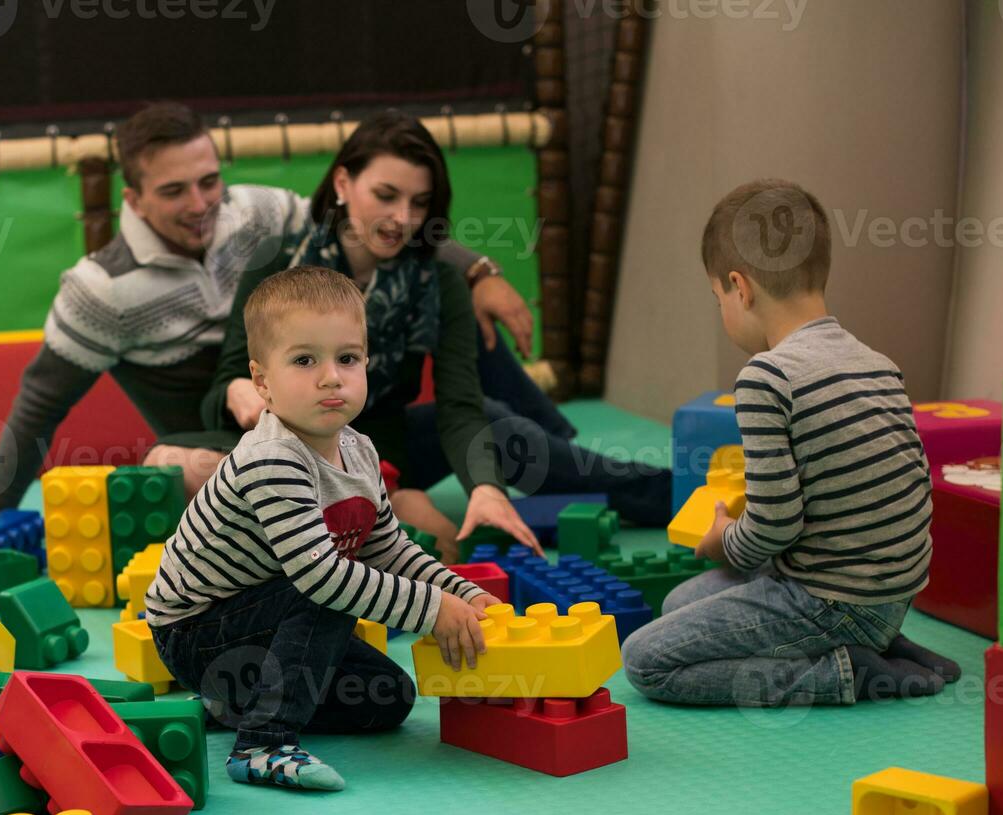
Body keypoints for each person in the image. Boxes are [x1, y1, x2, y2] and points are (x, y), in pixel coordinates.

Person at [0, 102, 535, 516]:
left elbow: (372, 220)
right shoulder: (100, 290)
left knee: (473, 355)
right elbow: (38, 410)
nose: (200, 206)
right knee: (179, 467)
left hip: (339, 417)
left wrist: (476, 270)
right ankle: (367, 504)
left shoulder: (256, 215)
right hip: (230, 442)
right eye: (175, 191)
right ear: (134, 199)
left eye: (209, 182)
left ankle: (547, 460)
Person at [193, 110, 672, 560]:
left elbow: (459, 405)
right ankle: (386, 505)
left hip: (387, 446)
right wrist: (239, 389)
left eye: (419, 202)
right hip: (294, 456)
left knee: (498, 424)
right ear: (343, 182)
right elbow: (226, 384)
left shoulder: (437, 281)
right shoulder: (280, 260)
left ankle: (675, 493)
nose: (403, 217)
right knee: (178, 459)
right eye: (386, 196)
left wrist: (485, 488)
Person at [146, 266, 496, 791]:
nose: (331, 377)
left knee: (387, 698)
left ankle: (235, 701)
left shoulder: (359, 449)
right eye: (305, 360)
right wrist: (431, 610)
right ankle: (261, 744)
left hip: (261, 622)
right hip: (194, 630)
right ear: (262, 381)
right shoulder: (274, 458)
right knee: (329, 587)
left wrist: (458, 591)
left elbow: (387, 548)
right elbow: (323, 580)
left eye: (347, 358)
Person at [621, 179, 961, 708]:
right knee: (677, 604)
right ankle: (884, 643)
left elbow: (774, 526)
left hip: (829, 600)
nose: (723, 313)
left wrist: (721, 540)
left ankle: (846, 673)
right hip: (891, 593)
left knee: (647, 660)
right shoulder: (876, 362)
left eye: (718, 301)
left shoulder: (766, 377)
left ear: (741, 287)